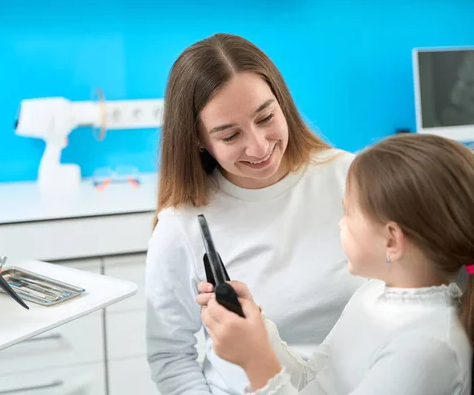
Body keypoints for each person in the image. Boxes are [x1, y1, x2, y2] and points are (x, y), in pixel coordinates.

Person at [145, 33, 365, 395]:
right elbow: (171, 357)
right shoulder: (181, 225)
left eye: (266, 117)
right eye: (230, 136)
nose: (259, 146)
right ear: (198, 139)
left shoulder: (350, 177)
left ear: (283, 103)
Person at [197, 133, 473, 394]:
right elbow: (311, 383)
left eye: (348, 212)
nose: (341, 224)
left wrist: (254, 360)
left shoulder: (426, 350)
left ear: (391, 240)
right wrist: (257, 330)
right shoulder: (372, 294)